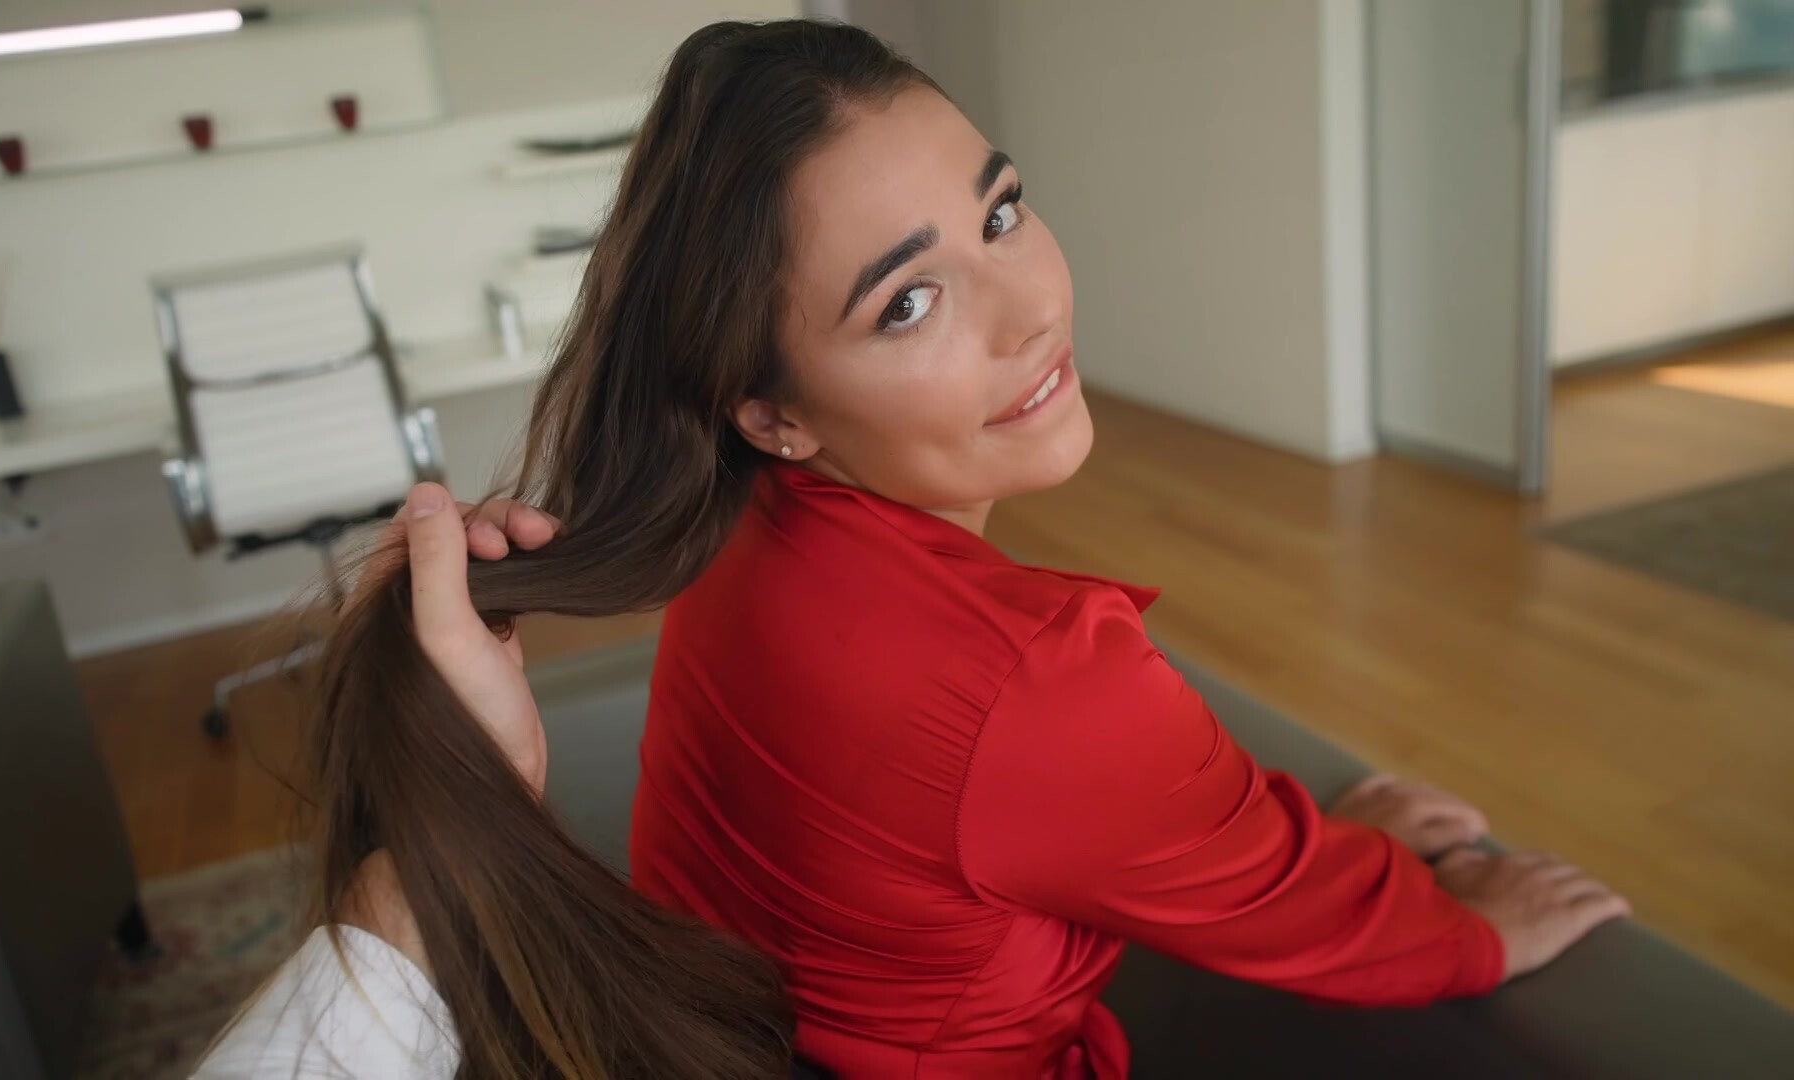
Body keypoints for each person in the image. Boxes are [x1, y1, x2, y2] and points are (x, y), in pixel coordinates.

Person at [202, 18, 1627, 1079]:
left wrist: (1338, 838)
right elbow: (1286, 897)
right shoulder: (1038, 682)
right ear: (773, 412)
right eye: (907, 302)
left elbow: (1125, 825)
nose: (1030, 307)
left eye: (1000, 213)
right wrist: (1479, 930)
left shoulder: (733, 529)